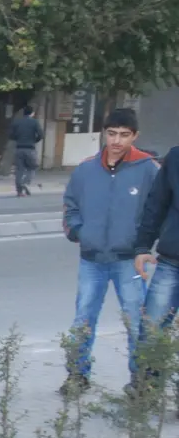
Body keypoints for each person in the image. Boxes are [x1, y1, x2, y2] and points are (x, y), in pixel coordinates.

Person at [61, 108, 160, 393]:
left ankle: (141, 381)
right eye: (112, 133)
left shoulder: (148, 170)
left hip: (129, 260)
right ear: (105, 133)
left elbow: (158, 211)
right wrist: (79, 232)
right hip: (91, 259)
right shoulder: (86, 169)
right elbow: (71, 206)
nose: (117, 140)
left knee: (135, 320)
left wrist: (146, 244)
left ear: (135, 136)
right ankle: (77, 376)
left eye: (124, 135)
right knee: (83, 318)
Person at [136, 146, 179, 340]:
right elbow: (157, 203)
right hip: (172, 261)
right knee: (151, 333)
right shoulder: (176, 157)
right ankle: (147, 372)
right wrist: (143, 246)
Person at [9, 105, 44, 198]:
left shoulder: (17, 122)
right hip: (30, 148)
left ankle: (19, 192)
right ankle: (25, 183)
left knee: (19, 170)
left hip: (19, 148)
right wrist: (34, 140)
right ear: (32, 113)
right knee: (33, 167)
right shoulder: (34, 122)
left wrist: (19, 139)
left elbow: (11, 136)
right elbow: (41, 135)